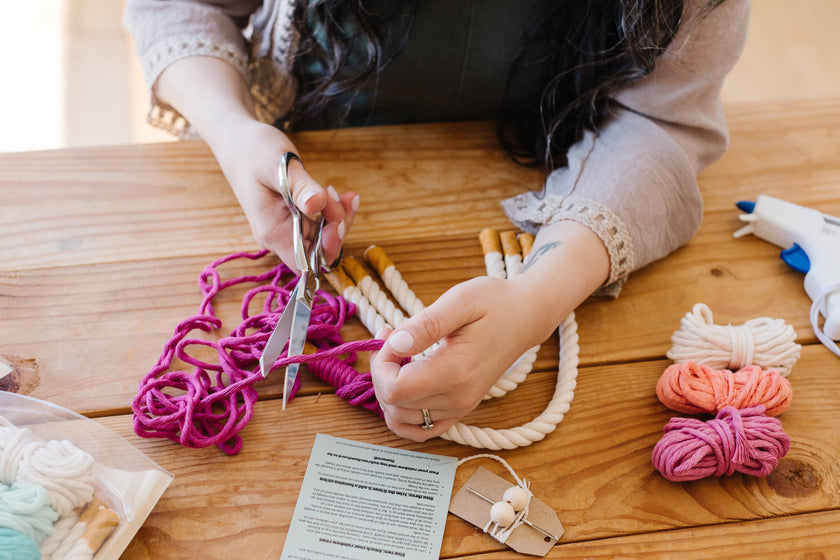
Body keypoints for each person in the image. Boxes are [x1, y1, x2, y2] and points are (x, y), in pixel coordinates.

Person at [124, 0, 750, 442]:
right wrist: (235, 133)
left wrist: (537, 297)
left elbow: (660, 120)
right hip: (320, 137)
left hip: (562, 166)